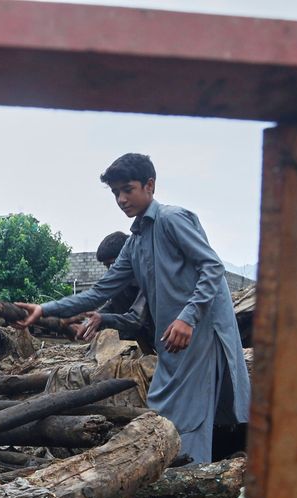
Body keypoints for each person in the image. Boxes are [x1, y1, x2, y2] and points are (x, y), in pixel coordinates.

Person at [17, 153, 249, 463]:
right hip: (170, 344)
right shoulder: (135, 241)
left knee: (188, 411)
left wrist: (187, 318)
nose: (121, 199)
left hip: (199, 333)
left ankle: (192, 476)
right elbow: (102, 289)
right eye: (116, 193)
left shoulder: (172, 218)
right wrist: (46, 309)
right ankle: (173, 471)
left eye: (128, 190)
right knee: (165, 407)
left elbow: (212, 267)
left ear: (149, 185)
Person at [72, 231, 155, 354]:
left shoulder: (150, 276)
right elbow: (111, 306)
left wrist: (102, 318)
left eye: (114, 264)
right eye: (107, 266)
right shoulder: (121, 287)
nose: (112, 270)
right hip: (151, 341)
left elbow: (136, 319)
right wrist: (88, 324)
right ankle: (149, 355)